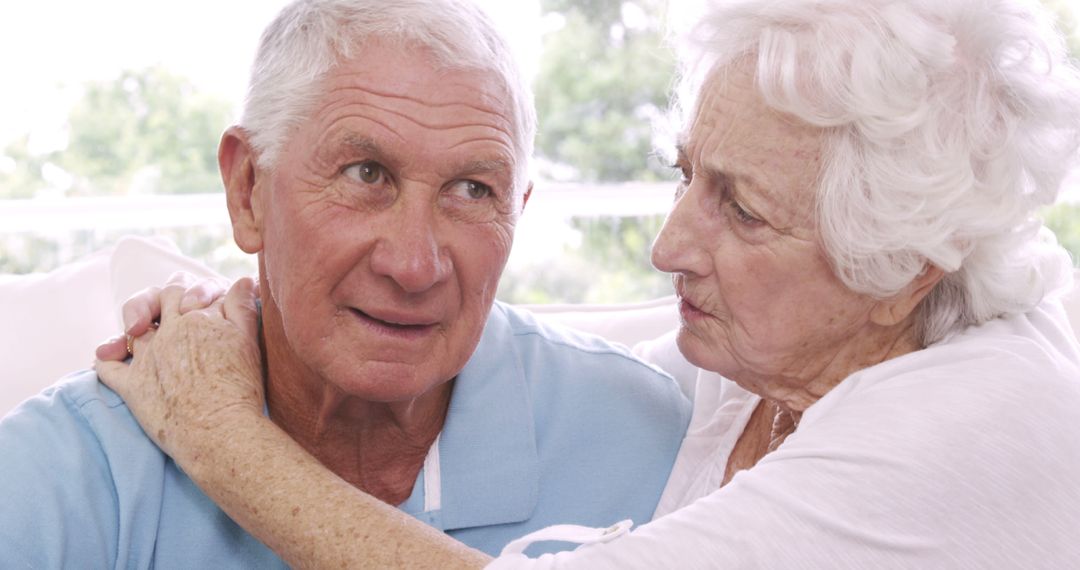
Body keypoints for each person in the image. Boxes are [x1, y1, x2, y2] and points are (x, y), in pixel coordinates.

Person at [95, 0, 1080, 566]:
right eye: (687, 176)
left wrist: (217, 430)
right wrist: (241, 320)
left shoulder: (983, 421)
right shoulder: (757, 359)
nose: (666, 248)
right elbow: (538, 370)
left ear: (902, 267)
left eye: (740, 211)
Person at [0, 1, 692, 567]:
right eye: (366, 174)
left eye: (472, 189)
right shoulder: (70, 472)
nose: (415, 265)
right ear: (248, 190)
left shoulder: (652, 438)